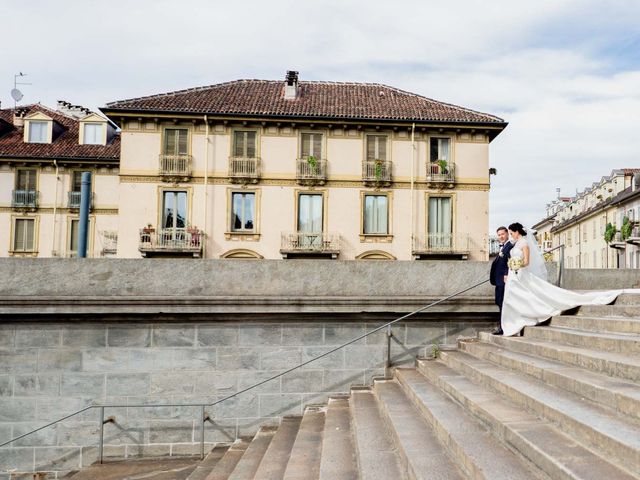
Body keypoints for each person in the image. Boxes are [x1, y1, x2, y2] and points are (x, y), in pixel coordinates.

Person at [500, 222, 637, 336]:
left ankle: (522, 318)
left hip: (519, 272)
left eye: (511, 233)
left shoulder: (524, 243)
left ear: (517, 232)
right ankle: (515, 320)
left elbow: (527, 262)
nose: (510, 235)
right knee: (514, 298)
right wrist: (511, 265)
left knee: (523, 296)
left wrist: (517, 264)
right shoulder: (516, 244)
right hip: (515, 275)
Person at [489, 226, 513, 335]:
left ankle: (503, 327)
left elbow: (511, 261)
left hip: (504, 281)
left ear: (507, 233)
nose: (501, 237)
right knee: (499, 303)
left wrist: (506, 274)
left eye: (502, 234)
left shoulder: (510, 246)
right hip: (498, 281)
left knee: (503, 304)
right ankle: (502, 326)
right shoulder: (503, 247)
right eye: (498, 235)